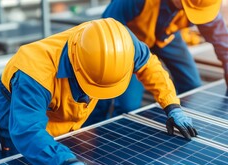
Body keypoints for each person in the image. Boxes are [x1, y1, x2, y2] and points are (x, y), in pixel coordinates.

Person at [0, 18, 197, 165]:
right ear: (77, 66)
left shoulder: (119, 45)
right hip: (16, 112)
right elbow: (28, 132)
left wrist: (171, 105)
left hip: (64, 115)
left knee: (57, 154)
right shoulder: (33, 73)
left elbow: (149, 65)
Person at [84, 0, 228, 126]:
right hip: (131, 44)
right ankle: (111, 134)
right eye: (185, 6)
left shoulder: (203, 7)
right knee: (129, 106)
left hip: (167, 37)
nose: (185, 11)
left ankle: (180, 121)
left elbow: (222, 42)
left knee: (193, 85)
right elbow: (108, 26)